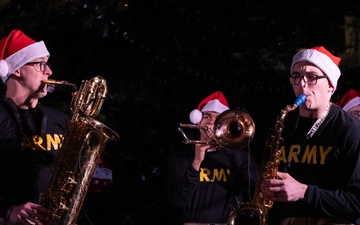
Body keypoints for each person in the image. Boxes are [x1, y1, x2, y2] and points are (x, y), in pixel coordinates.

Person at [260, 46, 360, 225]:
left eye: (311, 77)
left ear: (330, 85)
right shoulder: (283, 122)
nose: (302, 84)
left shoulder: (350, 129)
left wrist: (304, 192)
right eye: (296, 76)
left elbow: (356, 202)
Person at [0, 29, 69, 225]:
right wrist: (8, 211)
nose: (49, 71)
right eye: (41, 64)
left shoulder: (61, 120)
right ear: (17, 69)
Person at [167, 91, 259, 225]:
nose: (211, 123)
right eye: (207, 116)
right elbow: (177, 201)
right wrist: (196, 162)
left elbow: (255, 190)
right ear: (198, 122)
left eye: (218, 119)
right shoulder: (182, 159)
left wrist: (230, 146)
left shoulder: (239, 158)